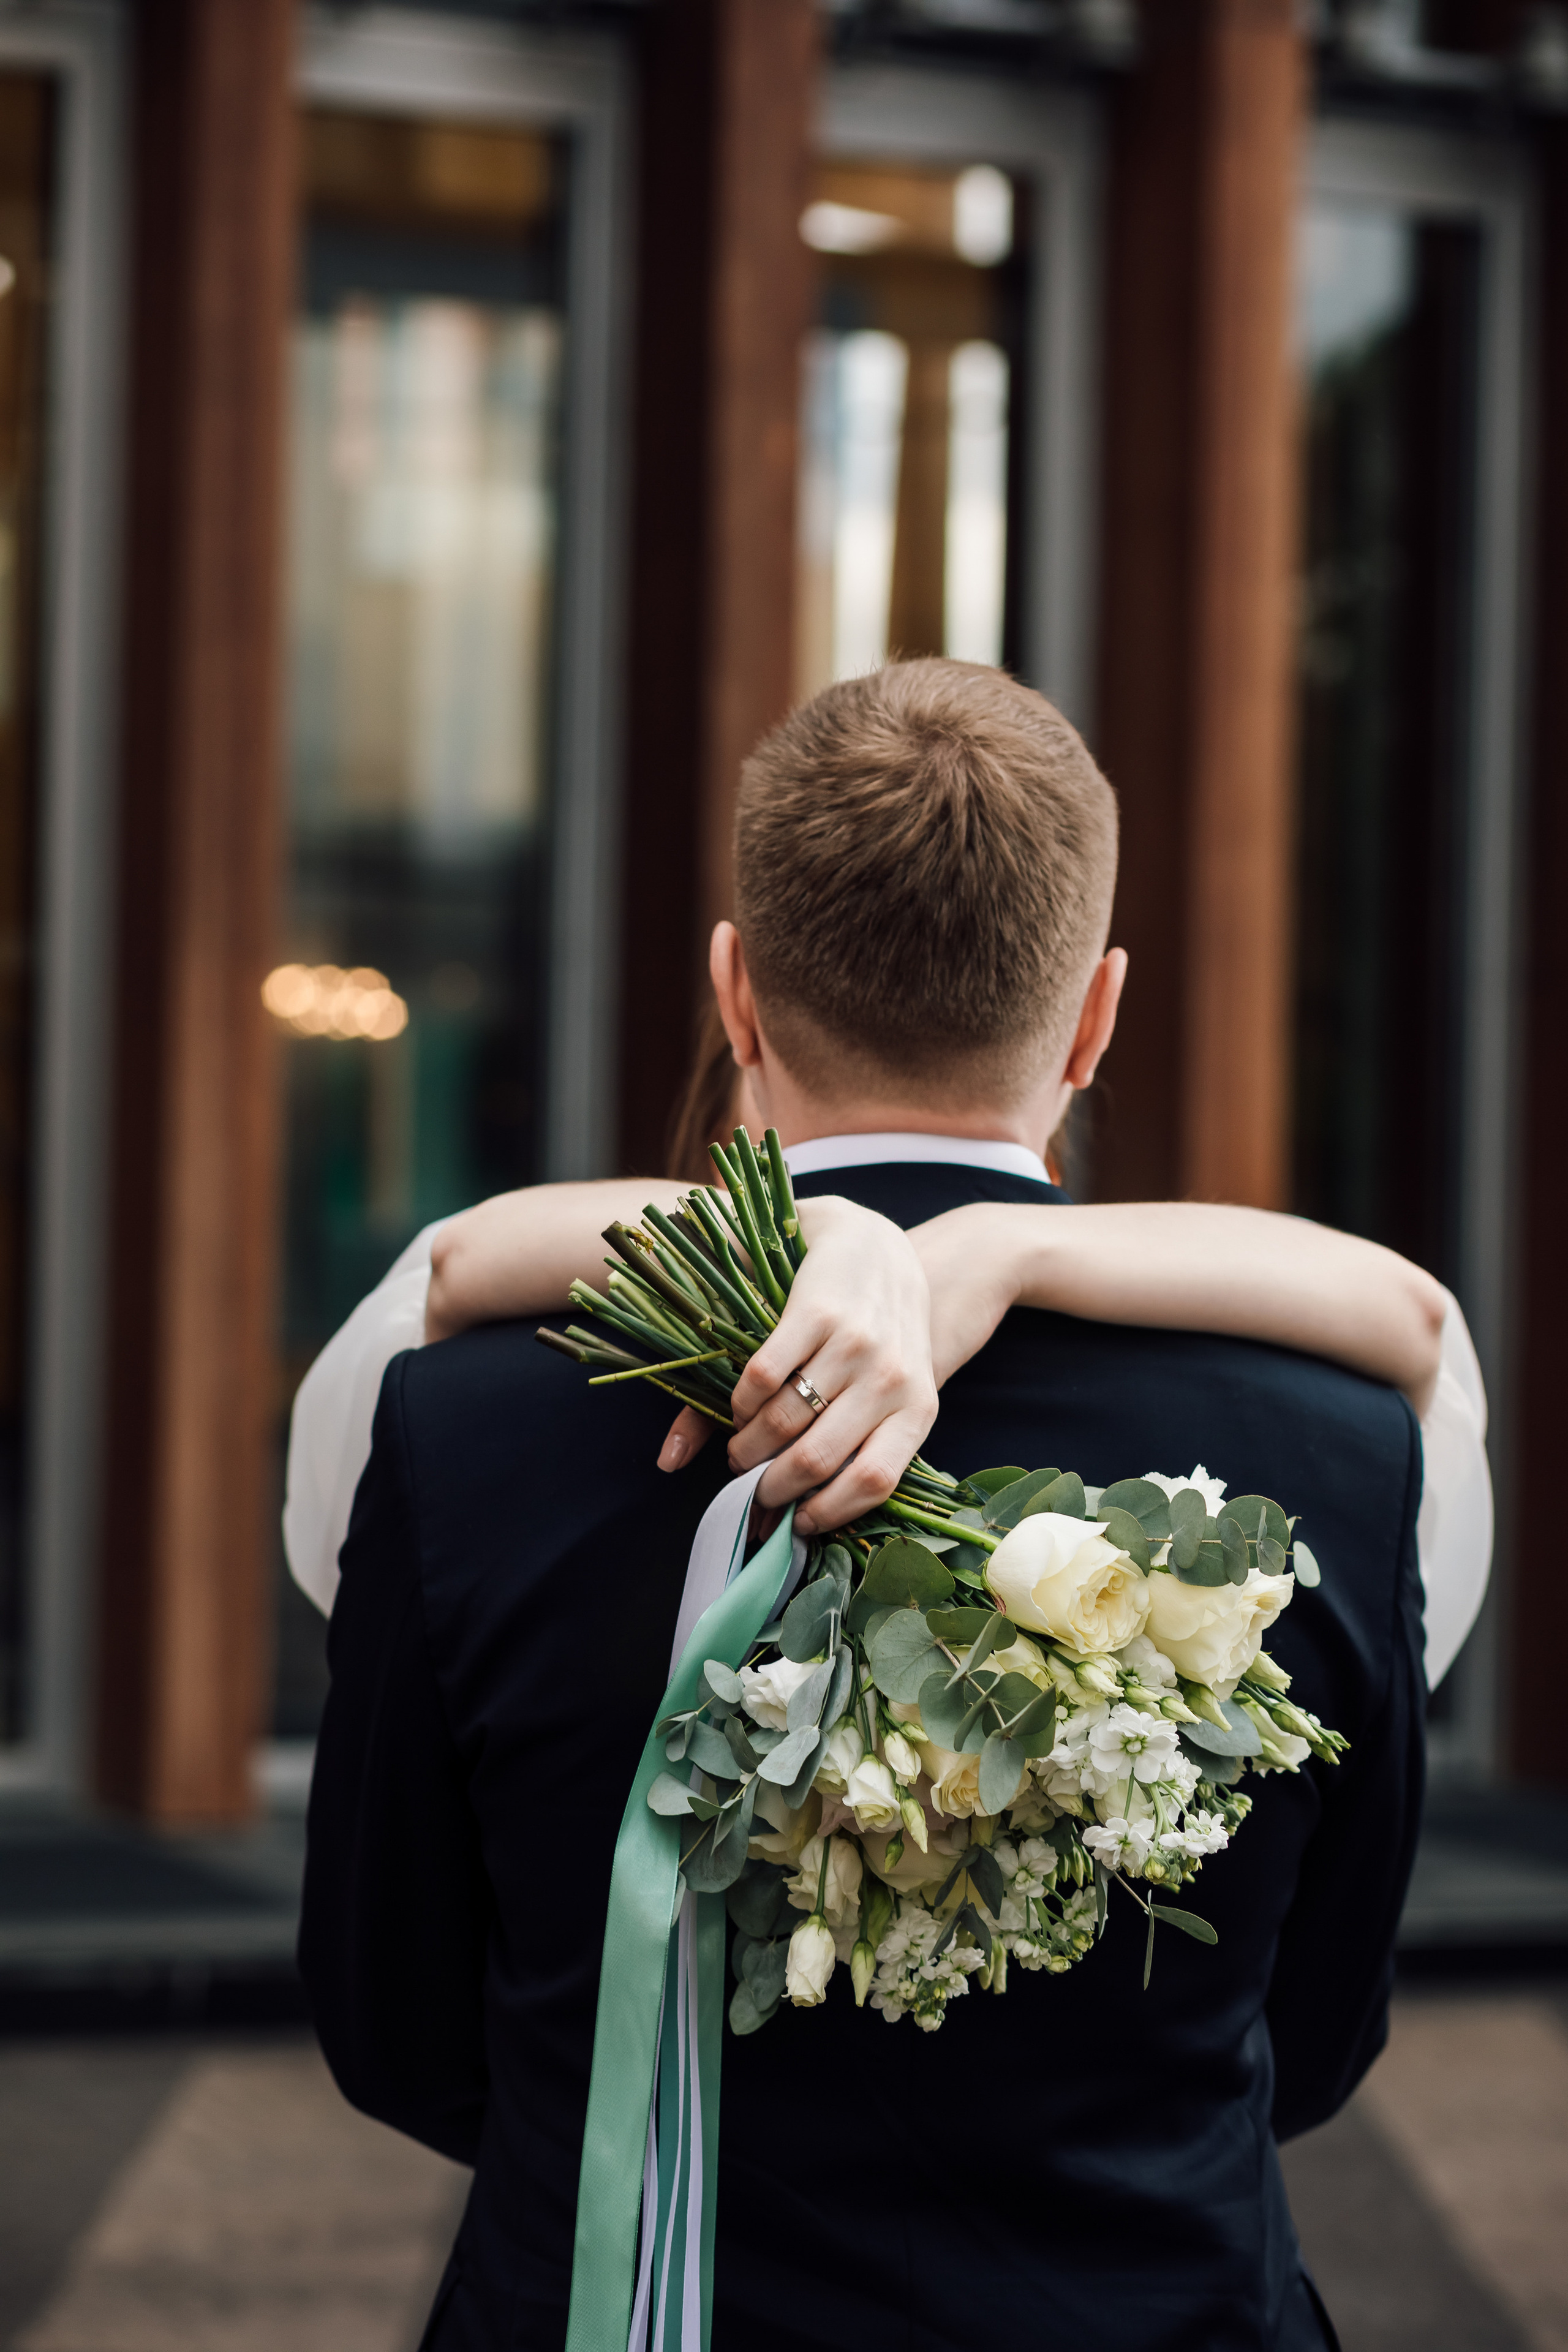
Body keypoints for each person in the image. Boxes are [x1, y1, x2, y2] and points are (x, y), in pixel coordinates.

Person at [297, 659, 1479, 2352]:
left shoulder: (455, 1417)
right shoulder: (1355, 1443)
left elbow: (392, 2022)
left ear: (736, 995)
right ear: (1098, 1016)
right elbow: (1324, 2021)